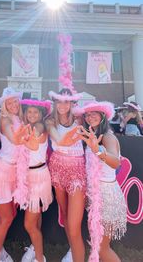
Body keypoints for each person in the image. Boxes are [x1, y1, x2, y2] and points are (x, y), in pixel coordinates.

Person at [77, 101, 127, 262]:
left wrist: (98, 150)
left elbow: (115, 162)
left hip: (107, 198)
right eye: (87, 114)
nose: (90, 117)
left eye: (94, 113)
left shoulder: (107, 137)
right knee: (97, 246)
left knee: (101, 248)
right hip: (96, 196)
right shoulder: (93, 136)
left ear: (103, 116)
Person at [0, 87, 32, 262]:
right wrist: (21, 138)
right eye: (9, 102)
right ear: (4, 105)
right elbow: (14, 139)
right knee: (6, 218)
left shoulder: (20, 118)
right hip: (1, 172)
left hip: (13, 172)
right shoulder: (4, 119)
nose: (13, 104)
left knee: (9, 216)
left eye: (15, 101)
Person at [46, 88, 85, 262]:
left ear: (72, 103)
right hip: (57, 167)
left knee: (74, 224)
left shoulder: (80, 119)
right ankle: (72, 249)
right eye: (59, 101)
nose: (63, 105)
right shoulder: (50, 121)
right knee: (65, 213)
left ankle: (77, 254)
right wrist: (68, 139)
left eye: (67, 101)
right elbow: (58, 140)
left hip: (77, 170)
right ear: (55, 103)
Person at [19, 99, 53, 262]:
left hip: (37, 177)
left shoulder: (39, 126)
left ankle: (40, 258)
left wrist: (31, 139)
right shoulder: (25, 127)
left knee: (29, 224)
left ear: (41, 115)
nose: (32, 115)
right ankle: (35, 247)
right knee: (36, 215)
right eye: (29, 112)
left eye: (36, 112)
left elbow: (36, 136)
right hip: (30, 176)